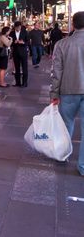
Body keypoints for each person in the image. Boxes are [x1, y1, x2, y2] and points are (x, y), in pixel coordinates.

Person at [51, 11, 84, 175]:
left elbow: (57, 72)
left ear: (73, 24)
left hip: (68, 89)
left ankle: (63, 155)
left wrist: (54, 94)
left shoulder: (62, 45)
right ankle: (83, 166)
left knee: (66, 125)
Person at [10, 21, 29, 87]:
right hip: (15, 52)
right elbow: (10, 43)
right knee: (17, 69)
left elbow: (28, 42)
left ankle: (24, 83)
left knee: (24, 68)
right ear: (15, 27)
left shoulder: (25, 32)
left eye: (19, 27)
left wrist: (23, 42)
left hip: (23, 52)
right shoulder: (12, 33)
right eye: (17, 27)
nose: (18, 28)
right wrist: (13, 42)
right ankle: (17, 82)